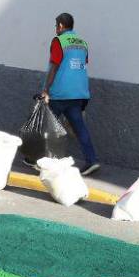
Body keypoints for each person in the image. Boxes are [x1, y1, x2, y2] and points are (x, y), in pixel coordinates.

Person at [38, 12, 100, 177]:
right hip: (79, 93)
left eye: (56, 25)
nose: (55, 28)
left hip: (60, 93)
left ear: (60, 26)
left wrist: (46, 89)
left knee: (49, 127)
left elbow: (54, 67)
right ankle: (92, 160)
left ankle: (41, 160)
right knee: (80, 128)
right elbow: (81, 64)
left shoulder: (59, 41)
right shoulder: (83, 43)